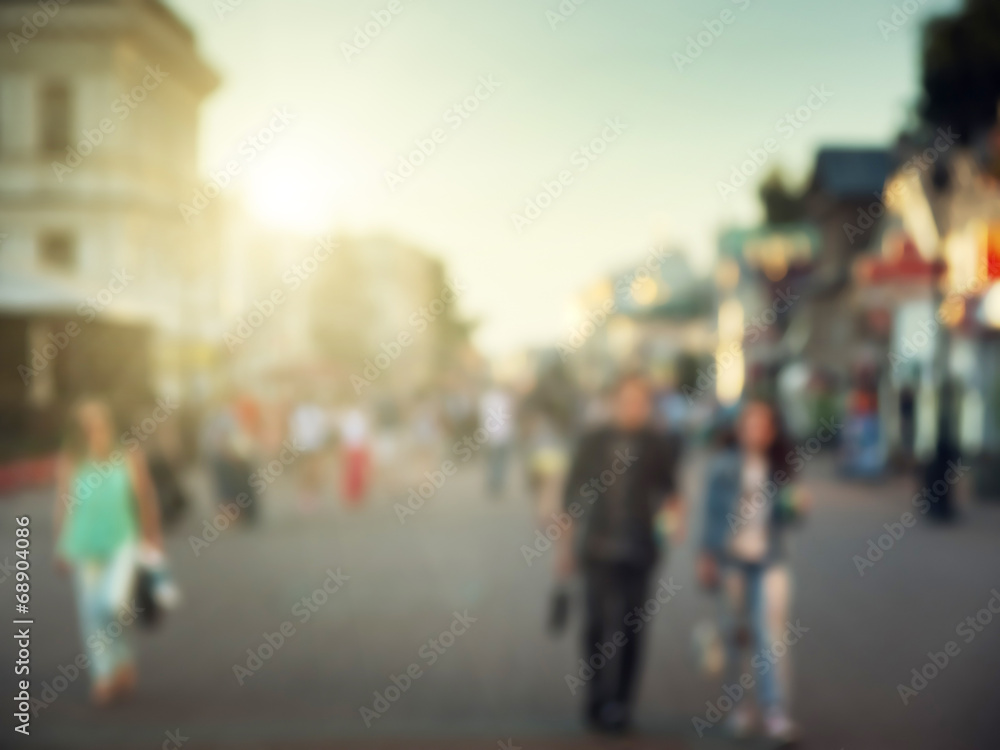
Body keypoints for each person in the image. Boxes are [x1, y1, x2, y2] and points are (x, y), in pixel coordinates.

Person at [557, 372, 684, 734]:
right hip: (596, 548)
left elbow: (671, 495)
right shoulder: (592, 441)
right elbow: (570, 496)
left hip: (640, 550)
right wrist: (563, 549)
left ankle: (622, 705)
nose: (633, 408)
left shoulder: (657, 443)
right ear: (614, 402)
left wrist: (671, 526)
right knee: (595, 627)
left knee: (632, 630)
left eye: (640, 401)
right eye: (627, 400)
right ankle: (596, 701)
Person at [698, 399, 805, 742]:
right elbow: (711, 515)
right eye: (749, 424)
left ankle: (775, 712)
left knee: (770, 637)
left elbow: (790, 518)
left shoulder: (780, 468)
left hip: (769, 561)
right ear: (739, 429)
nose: (756, 431)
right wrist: (707, 556)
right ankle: (739, 707)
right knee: (736, 637)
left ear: (773, 431)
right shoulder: (723, 466)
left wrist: (799, 506)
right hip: (732, 561)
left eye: (763, 424)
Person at [53, 398, 163, 706]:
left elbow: (144, 496)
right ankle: (104, 674)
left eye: (98, 422)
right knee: (90, 612)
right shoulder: (71, 458)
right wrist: (60, 544)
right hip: (83, 543)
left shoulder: (128, 456)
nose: (93, 429)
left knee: (112, 604)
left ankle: (123, 655)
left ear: (108, 424)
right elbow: (63, 502)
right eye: (86, 424)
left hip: (122, 541)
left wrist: (152, 534)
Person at [479, 384, 514, 497]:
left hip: (489, 434)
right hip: (503, 434)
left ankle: (492, 483)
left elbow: (482, 416)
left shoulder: (485, 398)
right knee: (501, 461)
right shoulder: (504, 398)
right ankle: (498, 484)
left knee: (491, 460)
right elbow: (510, 414)